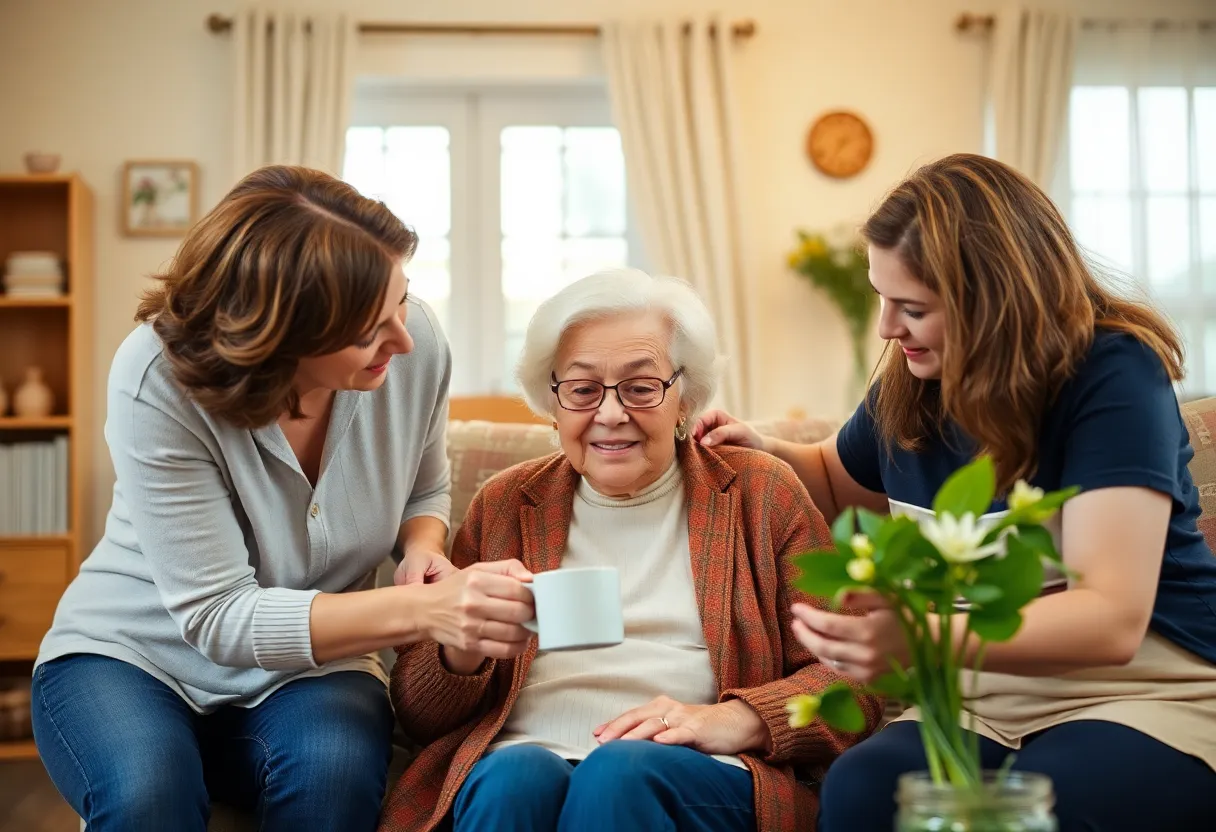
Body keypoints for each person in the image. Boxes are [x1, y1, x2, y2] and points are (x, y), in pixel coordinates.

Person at [694, 153, 1216, 830]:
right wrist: (764, 450)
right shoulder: (917, 381)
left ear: (991, 302)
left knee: (1037, 805)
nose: (886, 327)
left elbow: (1110, 618)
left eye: (911, 307)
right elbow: (833, 477)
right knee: (861, 792)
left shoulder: (1111, 374)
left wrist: (917, 638)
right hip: (979, 700)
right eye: (883, 298)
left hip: (1139, 690)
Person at [31, 165, 536, 832]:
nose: (403, 339)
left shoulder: (414, 348)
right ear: (279, 335)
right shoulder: (156, 376)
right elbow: (217, 615)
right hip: (132, 655)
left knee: (333, 780)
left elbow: (425, 482)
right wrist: (424, 610)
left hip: (313, 670)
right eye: (367, 329)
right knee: (147, 794)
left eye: (403, 300)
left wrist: (422, 546)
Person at [378, 268, 883, 832]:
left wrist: (734, 718)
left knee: (618, 774)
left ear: (684, 396)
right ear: (553, 401)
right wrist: (462, 652)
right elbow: (421, 716)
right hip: (520, 754)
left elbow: (853, 680)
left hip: (697, 770)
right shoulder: (505, 504)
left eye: (641, 388)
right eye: (583, 388)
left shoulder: (759, 494)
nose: (611, 413)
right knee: (512, 778)